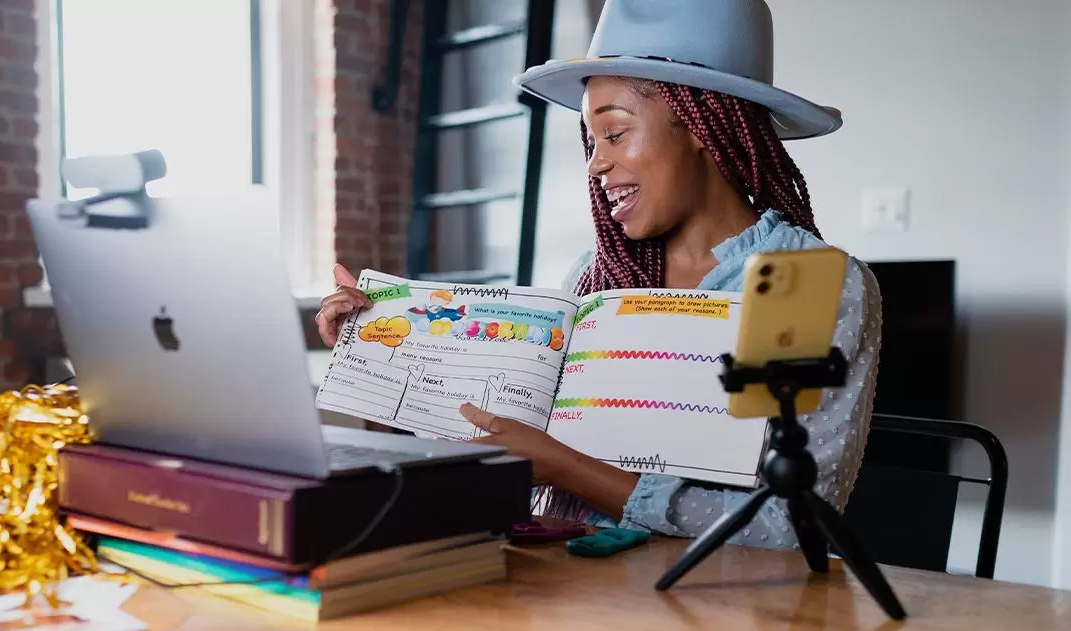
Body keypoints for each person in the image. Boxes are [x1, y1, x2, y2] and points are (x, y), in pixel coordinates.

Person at [313, 0, 881, 552]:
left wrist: (568, 469)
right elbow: (508, 444)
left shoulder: (805, 284)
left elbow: (789, 526)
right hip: (559, 584)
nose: (595, 163)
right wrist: (377, 366)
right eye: (591, 140)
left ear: (702, 126)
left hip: (718, 614)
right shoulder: (596, 275)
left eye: (613, 133)